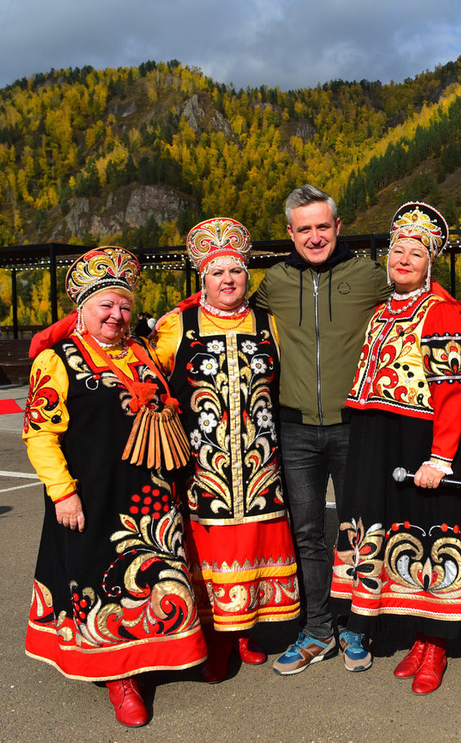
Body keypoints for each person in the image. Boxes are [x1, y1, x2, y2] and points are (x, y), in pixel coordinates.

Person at [22, 246, 206, 727]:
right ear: (81, 310)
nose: (116, 314)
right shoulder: (56, 360)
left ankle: (161, 649)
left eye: (124, 305)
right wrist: (62, 491)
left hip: (149, 492)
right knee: (100, 579)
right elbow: (39, 434)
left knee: (155, 574)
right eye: (105, 305)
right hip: (92, 491)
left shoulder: (143, 352)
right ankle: (118, 677)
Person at [329, 201, 461, 693]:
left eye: (416, 252)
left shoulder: (442, 313)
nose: (404, 258)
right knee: (387, 532)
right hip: (376, 438)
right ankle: (408, 627)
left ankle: (434, 643)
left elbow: (452, 390)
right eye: (397, 251)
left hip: (418, 441)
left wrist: (440, 456)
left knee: (430, 533)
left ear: (430, 261)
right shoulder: (380, 312)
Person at [152, 218, 300, 683]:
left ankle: (244, 634)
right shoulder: (177, 326)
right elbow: (147, 378)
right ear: (203, 280)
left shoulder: (267, 323)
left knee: (255, 545)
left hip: (259, 463)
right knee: (208, 550)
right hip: (203, 466)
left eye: (235, 271)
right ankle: (216, 640)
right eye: (217, 273)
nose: (228, 280)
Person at [251, 184, 390, 675]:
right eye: (303, 228)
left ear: (338, 227)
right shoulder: (275, 280)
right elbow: (216, 307)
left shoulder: (369, 275)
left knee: (358, 531)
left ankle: (357, 625)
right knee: (307, 533)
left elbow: (426, 301)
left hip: (356, 424)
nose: (314, 237)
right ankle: (316, 630)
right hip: (294, 429)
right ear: (290, 233)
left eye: (322, 227)